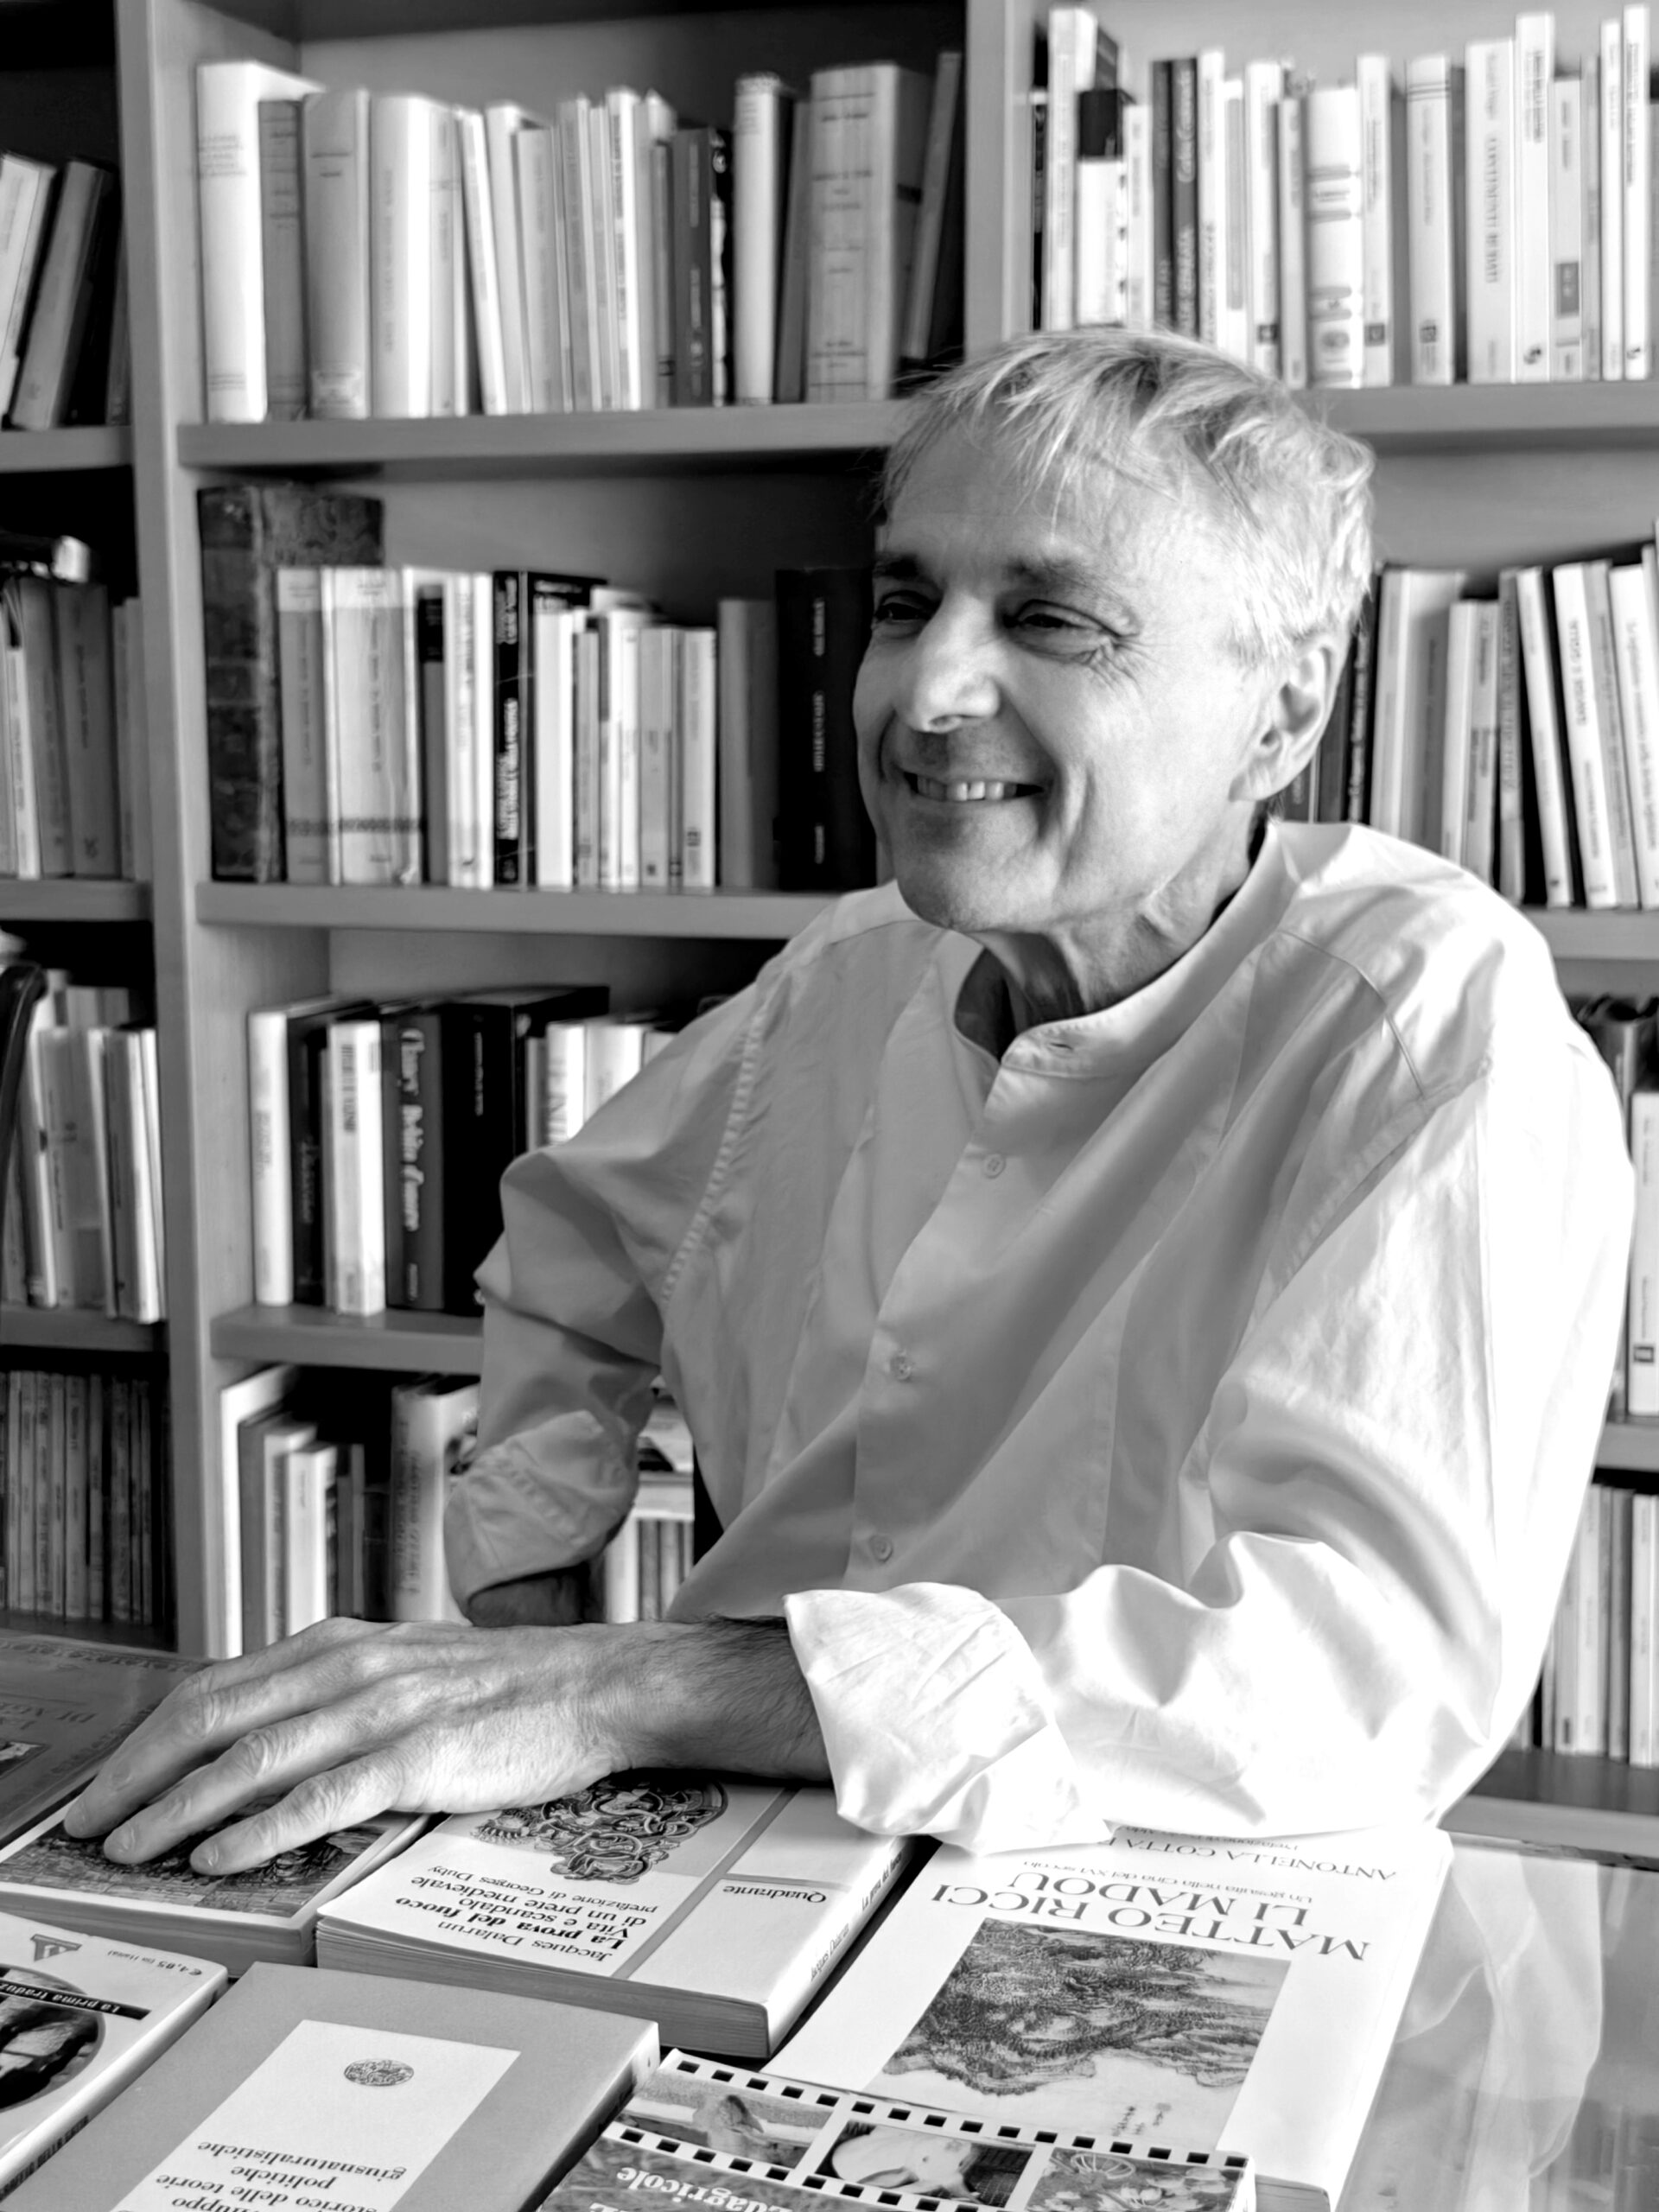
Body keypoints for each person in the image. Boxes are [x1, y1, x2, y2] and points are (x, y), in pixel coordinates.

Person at [60, 327, 1630, 1880]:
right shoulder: (855, 964)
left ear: (1282, 715)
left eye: (1053, 619)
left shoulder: (1436, 1030)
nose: (927, 689)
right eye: (904, 602)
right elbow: (573, 1243)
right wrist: (525, 1603)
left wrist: (627, 1685)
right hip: (730, 1837)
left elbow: (1356, 1685)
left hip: (1145, 1889)